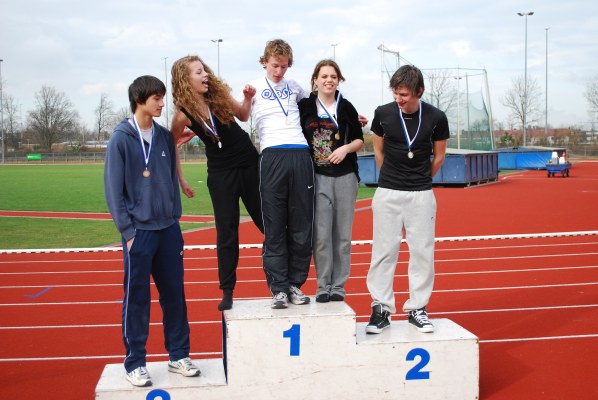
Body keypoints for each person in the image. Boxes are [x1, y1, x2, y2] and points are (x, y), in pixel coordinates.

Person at [104, 75, 200, 387]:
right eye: (157, 98)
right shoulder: (121, 139)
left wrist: (175, 217)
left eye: (163, 97)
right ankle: (135, 362)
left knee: (174, 296)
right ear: (139, 100)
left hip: (168, 229)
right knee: (137, 298)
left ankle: (178, 355)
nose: (162, 103)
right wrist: (128, 232)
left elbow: (170, 178)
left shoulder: (162, 137)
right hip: (140, 233)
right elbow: (113, 191)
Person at [170, 55, 264, 311]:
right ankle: (227, 290)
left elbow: (243, 115)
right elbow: (171, 144)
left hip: (248, 163)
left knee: (267, 222)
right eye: (198, 72)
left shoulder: (218, 96)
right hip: (221, 173)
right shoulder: (182, 114)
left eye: (205, 70)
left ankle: (281, 280)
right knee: (226, 233)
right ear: (185, 80)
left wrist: (247, 99)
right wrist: (181, 179)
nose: (205, 75)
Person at [365, 65, 449, 334]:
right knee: (384, 252)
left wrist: (421, 180)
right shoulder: (383, 113)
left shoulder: (436, 117)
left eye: (404, 94)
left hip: (421, 194)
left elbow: (439, 156)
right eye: (395, 93)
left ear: (419, 91)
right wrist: (391, 179)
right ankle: (381, 308)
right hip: (388, 192)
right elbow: (379, 151)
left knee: (422, 253)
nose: (398, 99)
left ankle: (417, 308)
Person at [242, 39, 313, 309]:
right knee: (274, 226)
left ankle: (295, 284)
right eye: (275, 65)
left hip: (300, 154)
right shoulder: (254, 87)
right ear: (264, 62)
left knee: (301, 225)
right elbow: (243, 116)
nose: (279, 71)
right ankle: (278, 288)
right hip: (272, 155)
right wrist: (246, 99)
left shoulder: (295, 87)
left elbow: (316, 110)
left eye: (284, 66)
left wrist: (349, 121)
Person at [298, 59, 364, 303]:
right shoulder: (304, 106)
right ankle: (323, 285)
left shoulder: (346, 106)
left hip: (345, 176)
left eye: (333, 77)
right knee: (322, 236)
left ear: (339, 80)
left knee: (343, 237)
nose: (329, 80)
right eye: (324, 76)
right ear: (315, 79)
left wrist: (345, 148)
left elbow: (359, 140)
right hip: (318, 177)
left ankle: (338, 286)